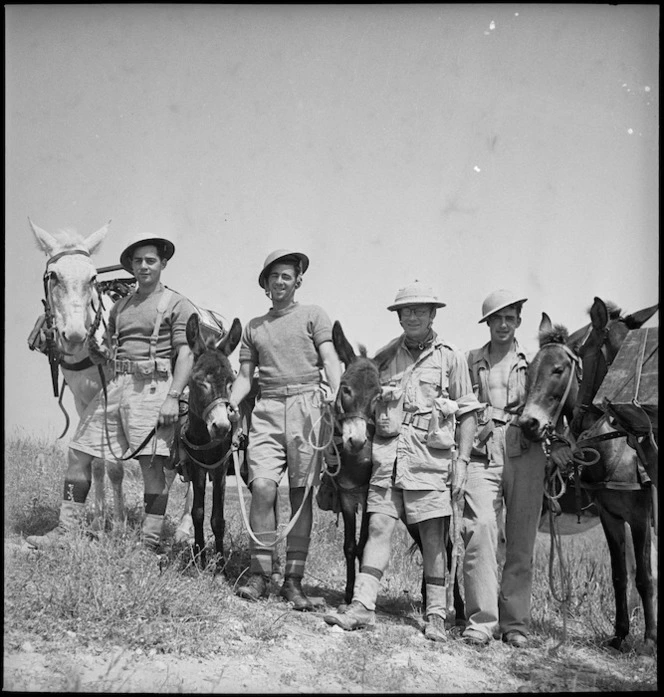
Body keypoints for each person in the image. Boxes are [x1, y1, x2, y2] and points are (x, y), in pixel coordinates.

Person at [323, 281, 480, 641]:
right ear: (398, 317)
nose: (412, 316)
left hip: (429, 459)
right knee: (378, 527)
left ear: (433, 314)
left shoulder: (450, 358)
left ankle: (436, 615)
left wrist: (463, 461)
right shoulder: (382, 359)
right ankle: (362, 606)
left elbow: (468, 412)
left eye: (420, 310)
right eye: (406, 311)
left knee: (432, 537)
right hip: (388, 457)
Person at [27, 235, 196, 552]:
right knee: (79, 453)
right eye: (138, 261)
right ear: (130, 267)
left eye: (151, 260)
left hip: (155, 386)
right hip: (118, 385)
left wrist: (173, 396)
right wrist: (55, 339)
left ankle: (149, 542)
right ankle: (66, 531)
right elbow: (103, 350)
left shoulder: (176, 304)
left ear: (163, 264)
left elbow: (185, 353)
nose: (144, 266)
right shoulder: (119, 308)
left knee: (151, 467)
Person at [228, 249, 341, 611]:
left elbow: (329, 358)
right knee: (261, 486)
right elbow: (245, 377)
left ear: (297, 281)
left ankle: (293, 581)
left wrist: (335, 391)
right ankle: (260, 573)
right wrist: (232, 403)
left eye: (286, 276)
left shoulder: (313, 315)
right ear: (265, 283)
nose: (280, 281)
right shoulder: (254, 327)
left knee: (300, 494)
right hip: (268, 407)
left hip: (308, 406)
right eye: (274, 276)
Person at [459, 289, 551, 649]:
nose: (503, 324)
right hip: (483, 447)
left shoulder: (535, 363)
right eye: (496, 318)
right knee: (479, 529)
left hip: (526, 449)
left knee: (521, 540)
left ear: (518, 322)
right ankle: (481, 621)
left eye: (509, 318)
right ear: (487, 323)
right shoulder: (470, 360)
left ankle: (515, 624)